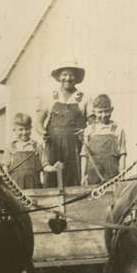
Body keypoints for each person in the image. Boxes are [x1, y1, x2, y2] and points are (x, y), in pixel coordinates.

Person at [36, 59, 88, 187]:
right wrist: (43, 132)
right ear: (59, 76)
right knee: (52, 182)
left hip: (75, 148)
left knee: (74, 181)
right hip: (54, 147)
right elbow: (38, 122)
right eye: (64, 74)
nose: (68, 78)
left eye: (71, 74)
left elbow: (92, 122)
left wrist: (85, 131)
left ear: (76, 77)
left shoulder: (84, 98)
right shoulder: (49, 97)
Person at [81, 94, 126, 185]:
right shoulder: (89, 130)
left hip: (112, 176)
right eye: (100, 112)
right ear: (94, 112)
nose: (103, 115)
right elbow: (84, 155)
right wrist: (83, 176)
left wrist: (122, 175)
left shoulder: (117, 130)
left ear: (111, 110)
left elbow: (122, 154)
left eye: (106, 111)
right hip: (93, 176)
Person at [3, 112, 42, 189]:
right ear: (14, 129)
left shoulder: (36, 146)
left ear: (31, 128)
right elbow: (5, 167)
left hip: (35, 187)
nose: (24, 132)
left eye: (27, 129)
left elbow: (43, 167)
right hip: (17, 188)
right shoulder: (10, 147)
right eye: (21, 129)